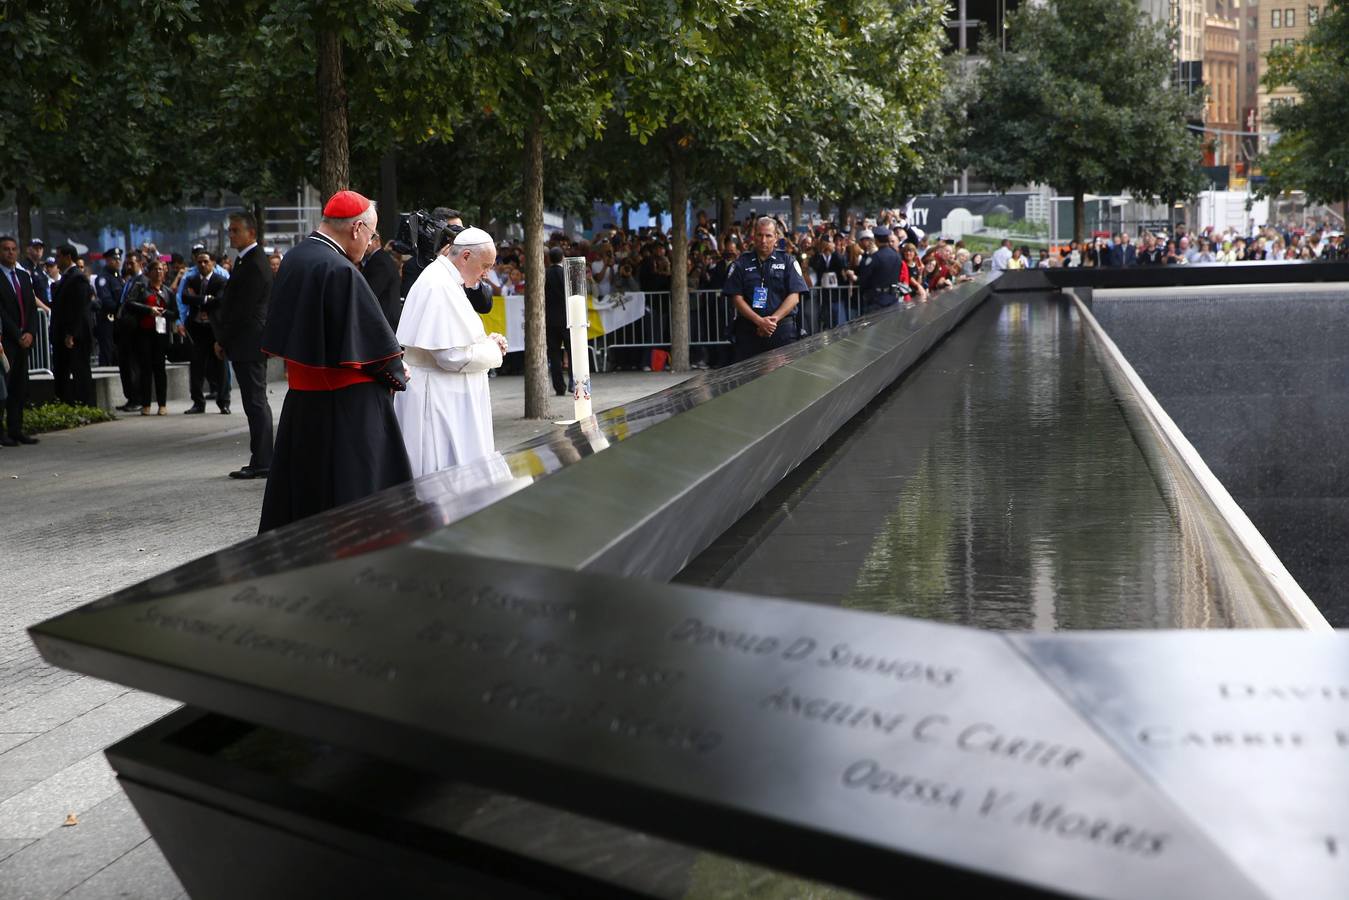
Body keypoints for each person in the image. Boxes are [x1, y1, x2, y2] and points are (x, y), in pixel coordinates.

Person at [257, 190, 411, 533]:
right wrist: (399, 370)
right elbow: (375, 351)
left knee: (307, 499)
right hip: (348, 409)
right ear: (357, 228)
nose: (369, 243)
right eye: (371, 236)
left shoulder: (296, 258)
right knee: (354, 502)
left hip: (304, 403)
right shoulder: (339, 269)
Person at [394, 227, 507, 476]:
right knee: (442, 473)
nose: (487, 274)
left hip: (445, 394)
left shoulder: (445, 279)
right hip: (436, 398)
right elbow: (451, 356)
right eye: (485, 265)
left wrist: (485, 342)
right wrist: (493, 351)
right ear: (465, 256)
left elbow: (457, 338)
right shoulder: (439, 285)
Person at [216, 212, 275, 479]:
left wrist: (223, 339)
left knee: (255, 401)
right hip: (246, 341)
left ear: (251, 233)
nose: (231, 235)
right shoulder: (247, 261)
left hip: (248, 342)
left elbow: (242, 310)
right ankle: (260, 457)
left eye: (235, 230)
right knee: (254, 402)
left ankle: (263, 460)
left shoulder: (253, 263)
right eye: (230, 231)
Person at [723, 217, 809, 362]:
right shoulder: (740, 263)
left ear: (776, 237)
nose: (763, 240)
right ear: (753, 236)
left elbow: (795, 296)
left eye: (768, 235)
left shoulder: (788, 261)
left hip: (782, 331)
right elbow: (736, 298)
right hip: (749, 332)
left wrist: (771, 322)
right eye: (759, 235)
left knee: (783, 379)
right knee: (747, 381)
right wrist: (759, 321)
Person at [121, 257, 178, 415]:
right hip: (143, 333)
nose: (159, 272)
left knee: (160, 368)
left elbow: (175, 313)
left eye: (161, 269)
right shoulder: (141, 288)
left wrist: (163, 312)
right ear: (149, 272)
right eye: (156, 269)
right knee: (145, 368)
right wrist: (148, 309)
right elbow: (130, 303)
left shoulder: (168, 292)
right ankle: (146, 403)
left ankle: (162, 404)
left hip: (161, 334)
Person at [0, 235, 39, 446]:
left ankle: (17, 429)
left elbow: (32, 308)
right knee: (3, 388)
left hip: (25, 340)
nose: (10, 252)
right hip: (7, 341)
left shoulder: (23, 277)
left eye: (13, 249)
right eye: (6, 249)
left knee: (19, 386)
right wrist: (16, 334)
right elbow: (2, 313)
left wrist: (30, 332)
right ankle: (2, 432)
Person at [181, 249, 231, 414]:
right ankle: (197, 402)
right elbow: (185, 298)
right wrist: (205, 299)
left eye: (206, 262)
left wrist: (201, 300)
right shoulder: (192, 280)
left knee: (221, 367)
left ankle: (223, 402)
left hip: (215, 330)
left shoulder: (221, 280)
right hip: (197, 329)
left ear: (213, 263)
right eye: (199, 262)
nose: (202, 264)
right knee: (196, 366)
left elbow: (220, 300)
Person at [50, 245, 94, 406]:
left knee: (80, 370)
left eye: (58, 256)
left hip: (75, 336)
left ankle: (86, 404)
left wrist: (71, 334)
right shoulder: (67, 277)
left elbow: (79, 308)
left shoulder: (78, 278)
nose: (56, 260)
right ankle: (67, 403)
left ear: (68, 257)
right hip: (65, 334)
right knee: (63, 371)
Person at [362, 231, 402, 329]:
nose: (365, 245)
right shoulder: (378, 258)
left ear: (377, 241)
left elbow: (371, 292)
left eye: (368, 240)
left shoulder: (379, 261)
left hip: (385, 317)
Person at [858, 225, 902, 312]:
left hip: (877, 299)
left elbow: (864, 277)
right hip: (893, 297)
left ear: (876, 240)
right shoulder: (897, 255)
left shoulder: (875, 257)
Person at [544, 246, 569, 395]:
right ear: (562, 258)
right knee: (571, 352)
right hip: (566, 318)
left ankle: (559, 387)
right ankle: (574, 382)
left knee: (554, 355)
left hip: (550, 320)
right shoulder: (565, 274)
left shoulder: (545, 274)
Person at [93, 249, 123, 366]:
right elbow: (106, 300)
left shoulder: (118, 278)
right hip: (108, 319)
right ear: (107, 260)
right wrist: (121, 308)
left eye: (119, 259)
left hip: (118, 320)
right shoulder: (103, 278)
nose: (117, 262)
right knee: (107, 352)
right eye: (114, 259)